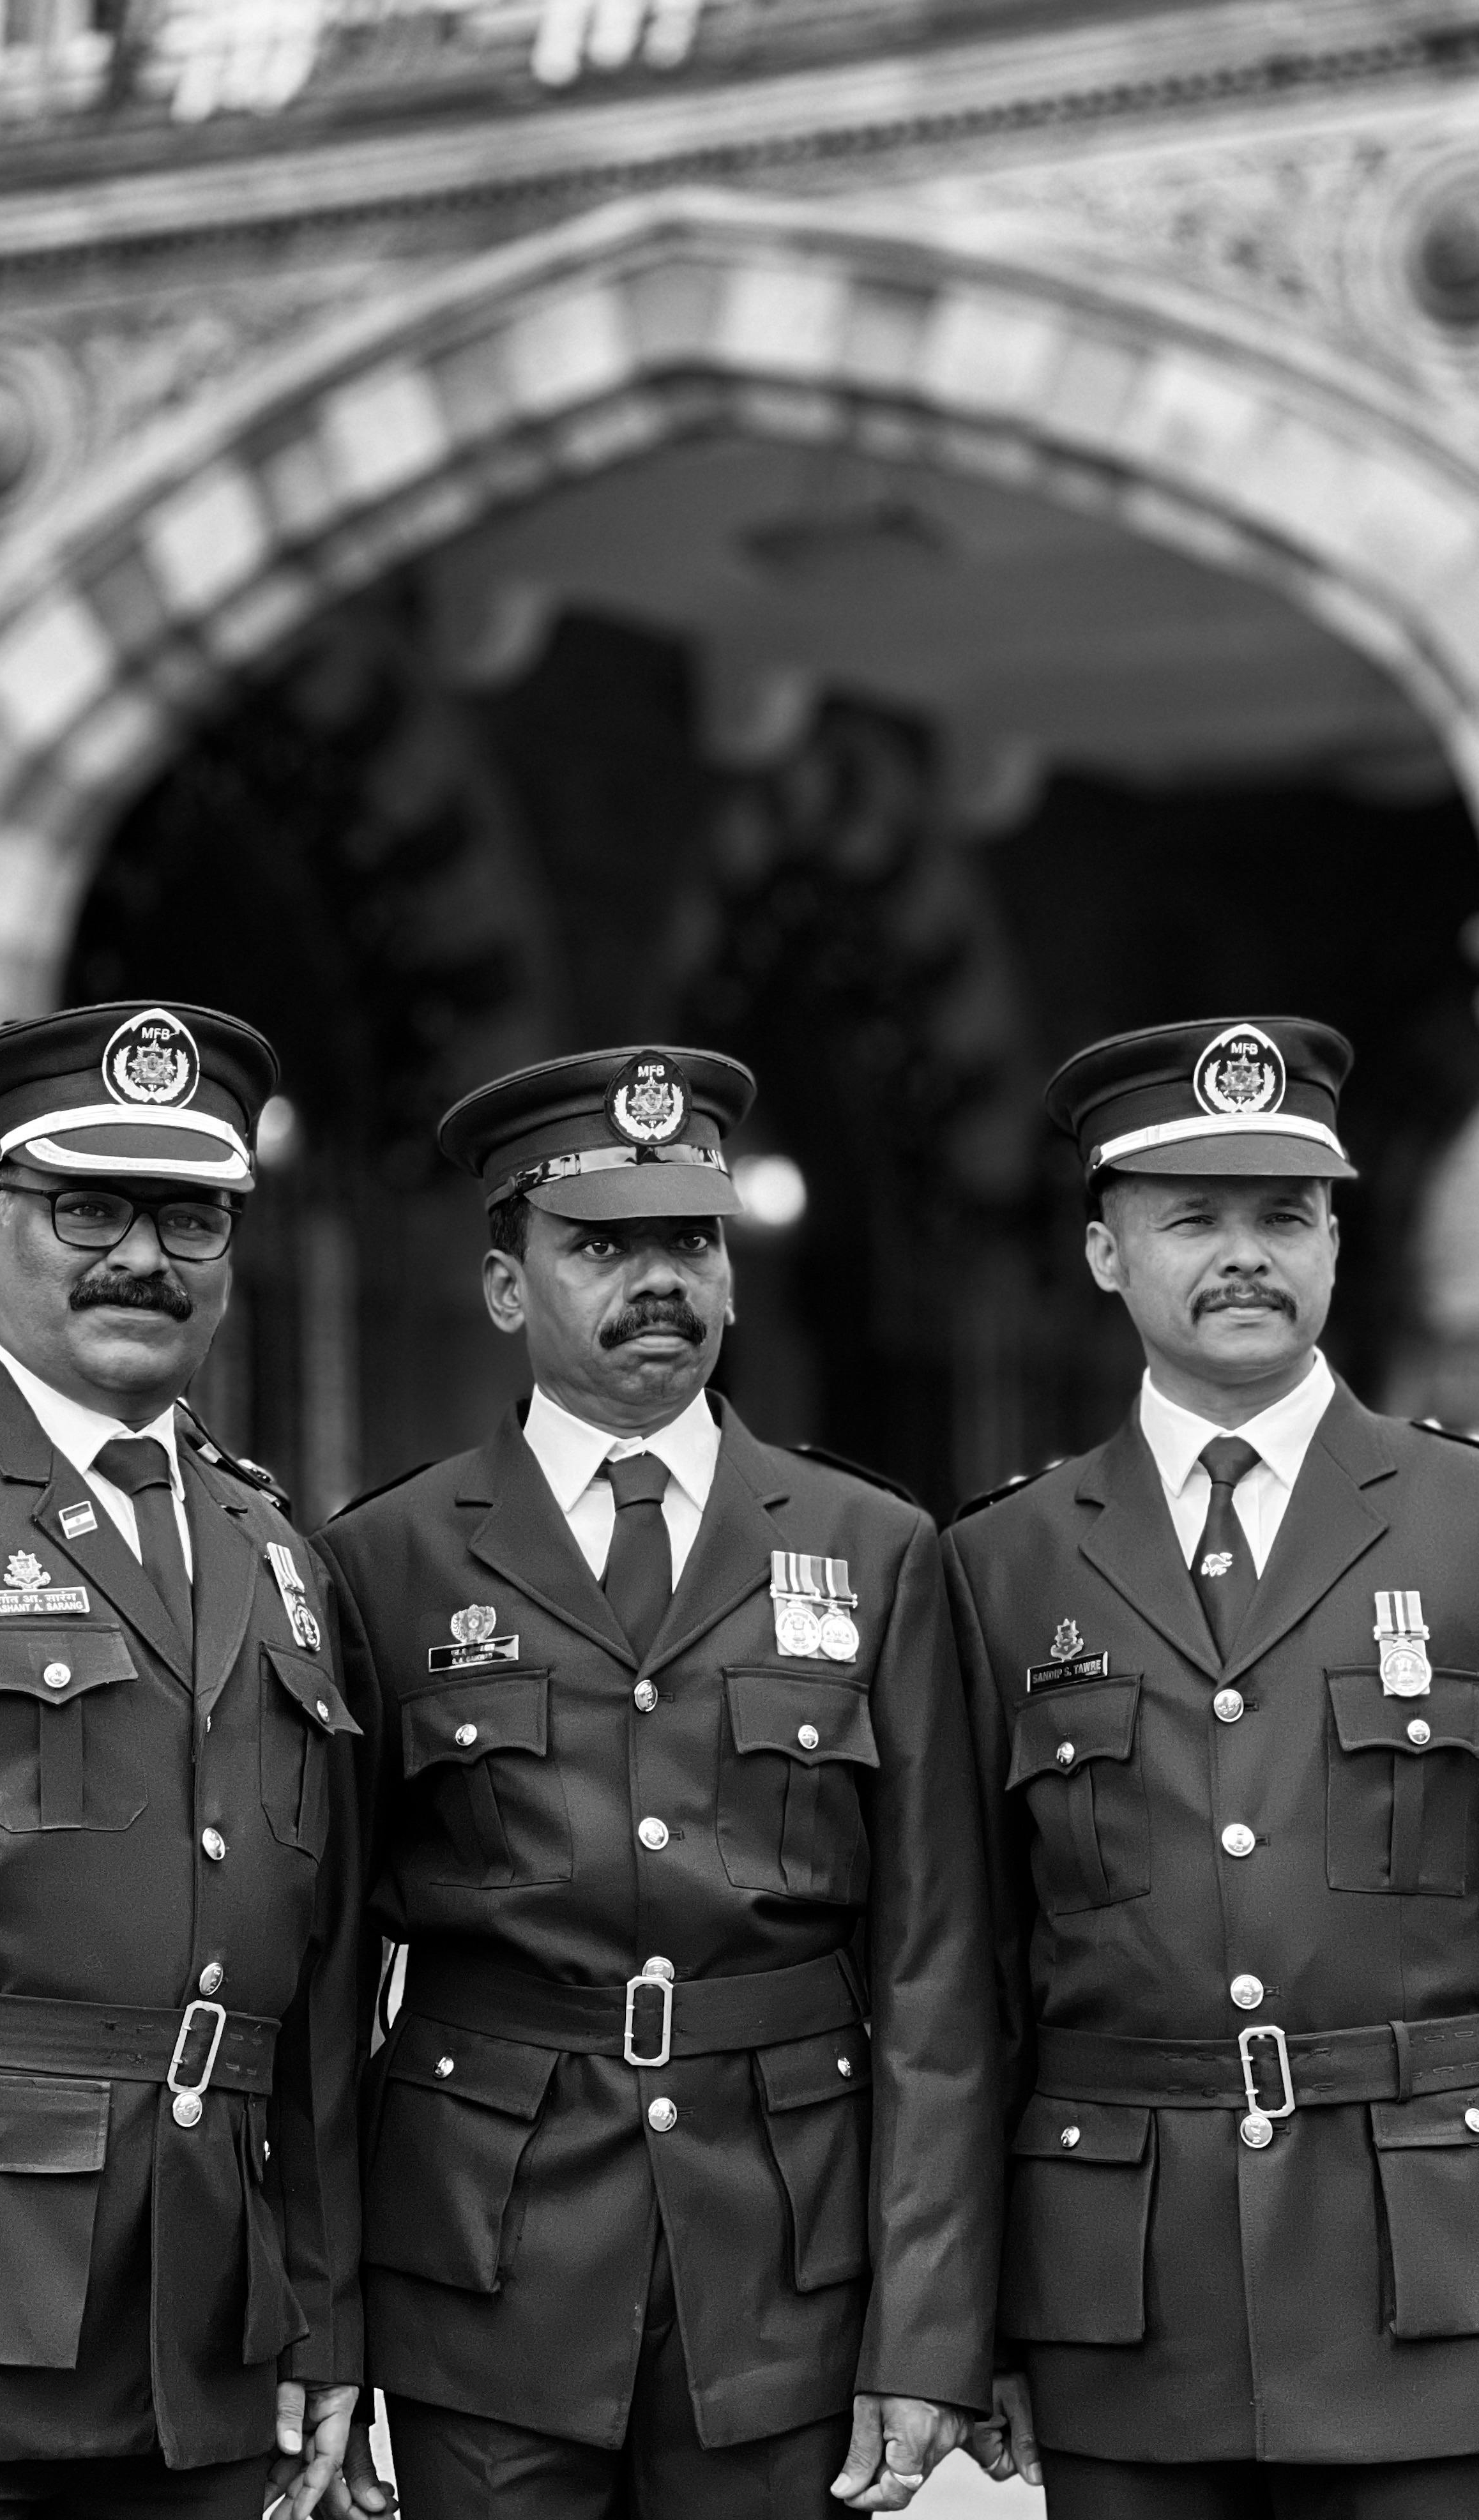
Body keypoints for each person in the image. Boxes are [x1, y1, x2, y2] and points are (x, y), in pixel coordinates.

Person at [946, 1015, 1479, 2519]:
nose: (1244, 1254)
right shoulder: (998, 1562)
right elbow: (971, 1970)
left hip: (1422, 2288)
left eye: (1284, 1215)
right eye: (1193, 1217)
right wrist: (969, 2319)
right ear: (1102, 1252)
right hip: (1119, 2297)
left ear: (1333, 1241)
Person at [317, 1044, 1000, 2518]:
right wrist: (321, 2332)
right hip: (481, 2263)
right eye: (600, 1245)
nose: (657, 1280)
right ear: (508, 1286)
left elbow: (938, 1972)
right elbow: (322, 1977)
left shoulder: (875, 1546)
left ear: (735, 1276)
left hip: (781, 2256)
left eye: (689, 1241)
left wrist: (929, 2327)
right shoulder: (385, 1557)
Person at [0, 1001, 383, 2520]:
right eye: (85, 1206)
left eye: (189, 1217)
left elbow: (321, 1983)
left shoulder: (275, 1545)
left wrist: (321, 2309)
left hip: (209, 2340)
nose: (140, 1257)